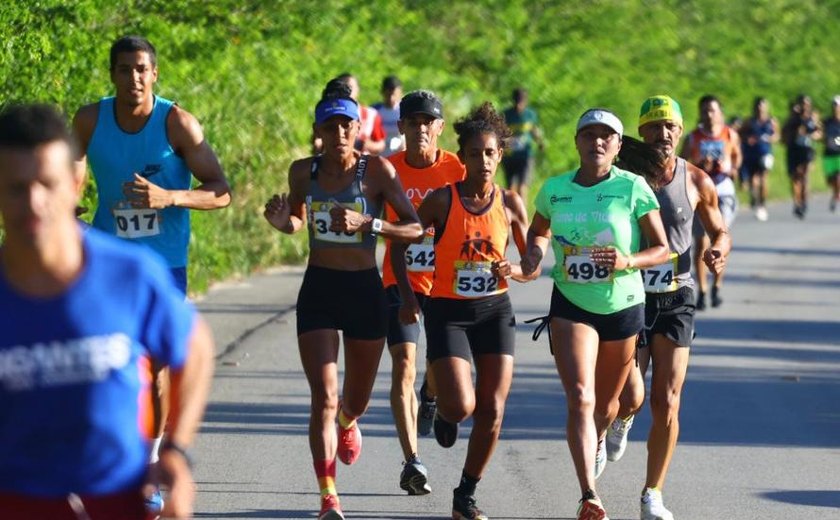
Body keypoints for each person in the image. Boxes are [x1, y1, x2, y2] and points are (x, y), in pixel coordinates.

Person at [0, 103, 214, 519]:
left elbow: (197, 346)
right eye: (15, 187)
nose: (34, 201)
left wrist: (176, 453)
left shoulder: (129, 274)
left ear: (76, 183)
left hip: (117, 500)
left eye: (47, 182)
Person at [71, 35, 231, 514]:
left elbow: (221, 190)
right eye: (124, 70)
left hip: (163, 268)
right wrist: (67, 209)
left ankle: (152, 460)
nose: (133, 78)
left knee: (156, 366)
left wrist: (170, 197)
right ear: (112, 74)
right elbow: (71, 172)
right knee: (104, 361)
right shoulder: (90, 119)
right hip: (106, 262)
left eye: (141, 69)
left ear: (154, 73)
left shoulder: (176, 122)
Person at [263, 79, 422, 520]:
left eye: (345, 127)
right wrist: (284, 224)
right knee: (324, 397)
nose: (338, 136)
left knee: (355, 400)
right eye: (330, 127)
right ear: (319, 130)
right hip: (319, 288)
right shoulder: (303, 172)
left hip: (364, 291)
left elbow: (413, 228)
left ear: (357, 128)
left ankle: (350, 424)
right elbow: (298, 219)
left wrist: (368, 224)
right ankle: (328, 495)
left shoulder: (376, 173)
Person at [520, 108, 669, 520]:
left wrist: (627, 261)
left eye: (606, 136)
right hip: (571, 302)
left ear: (618, 146)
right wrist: (533, 255)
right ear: (577, 142)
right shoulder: (555, 189)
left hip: (622, 305)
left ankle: (604, 433)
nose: (597, 142)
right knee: (581, 399)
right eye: (589, 135)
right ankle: (590, 495)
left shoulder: (633, 188)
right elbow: (538, 230)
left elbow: (662, 248)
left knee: (607, 405)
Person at [400, 102, 530, 520]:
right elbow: (407, 243)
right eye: (474, 154)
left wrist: (515, 267)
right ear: (463, 157)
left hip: (494, 309)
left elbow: (531, 265)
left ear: (500, 155)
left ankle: (465, 495)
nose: (483, 161)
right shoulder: (441, 200)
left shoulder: (510, 204)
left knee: (493, 409)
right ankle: (434, 391)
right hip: (448, 311)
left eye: (490, 153)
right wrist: (406, 294)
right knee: (462, 408)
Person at [605, 96, 731, 520]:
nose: (663, 135)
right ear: (641, 133)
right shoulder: (621, 179)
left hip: (677, 296)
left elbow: (720, 230)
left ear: (681, 132)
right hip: (630, 295)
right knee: (629, 394)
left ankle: (652, 493)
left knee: (668, 400)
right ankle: (621, 419)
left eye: (670, 127)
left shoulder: (696, 180)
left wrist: (718, 250)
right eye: (654, 127)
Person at [381, 90, 465, 495]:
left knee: (438, 367)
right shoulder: (386, 171)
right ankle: (412, 460)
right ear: (401, 128)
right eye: (412, 123)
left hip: (448, 282)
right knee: (404, 365)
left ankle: (430, 395)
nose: (420, 130)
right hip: (399, 280)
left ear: (440, 128)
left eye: (427, 123)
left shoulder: (456, 169)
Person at [680, 95, 741, 309]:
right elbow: (682, 164)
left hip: (723, 191)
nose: (709, 114)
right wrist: (699, 164)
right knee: (700, 243)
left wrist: (730, 168)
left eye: (712, 110)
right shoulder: (693, 137)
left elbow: (736, 158)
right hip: (700, 193)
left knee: (719, 239)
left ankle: (717, 285)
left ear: (720, 112)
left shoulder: (729, 134)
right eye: (705, 110)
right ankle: (703, 290)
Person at [781, 94, 822, 219]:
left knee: (805, 176)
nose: (805, 106)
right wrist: (795, 132)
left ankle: (804, 201)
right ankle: (797, 203)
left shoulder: (813, 117)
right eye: (802, 103)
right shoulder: (792, 119)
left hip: (807, 150)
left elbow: (819, 132)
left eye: (807, 104)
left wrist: (813, 135)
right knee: (795, 178)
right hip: (794, 150)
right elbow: (784, 135)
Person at [740, 97, 779, 221]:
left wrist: (770, 138)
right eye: (758, 107)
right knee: (753, 179)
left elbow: (777, 135)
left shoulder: (771, 121)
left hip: (765, 153)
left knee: (763, 178)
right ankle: (755, 199)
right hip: (751, 154)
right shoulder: (749, 121)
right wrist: (748, 139)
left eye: (762, 107)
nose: (760, 110)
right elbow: (741, 134)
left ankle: (762, 202)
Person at [501, 87, 544, 201]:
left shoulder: (530, 114)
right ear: (513, 100)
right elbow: (499, 133)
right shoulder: (506, 115)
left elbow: (534, 130)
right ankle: (510, 214)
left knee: (522, 187)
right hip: (509, 156)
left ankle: (522, 216)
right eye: (517, 100)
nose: (519, 104)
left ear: (525, 100)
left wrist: (540, 142)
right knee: (510, 188)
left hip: (526, 156)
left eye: (521, 100)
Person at [338, 72, 387, 155]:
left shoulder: (371, 115)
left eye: (350, 87)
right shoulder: (329, 114)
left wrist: (367, 145)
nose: (346, 91)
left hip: (363, 164)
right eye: (342, 87)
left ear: (358, 89)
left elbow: (381, 144)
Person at [372, 75, 405, 157]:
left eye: (394, 95)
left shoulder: (404, 111)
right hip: (379, 156)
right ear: (382, 93)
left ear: (400, 93)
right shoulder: (374, 111)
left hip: (399, 154)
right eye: (388, 95)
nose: (391, 98)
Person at [824, 96, 840, 212]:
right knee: (830, 180)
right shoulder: (827, 121)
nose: (835, 108)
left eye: (837, 105)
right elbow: (820, 133)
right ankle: (835, 193)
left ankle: (836, 195)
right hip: (828, 154)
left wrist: (835, 141)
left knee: (838, 177)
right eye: (834, 105)